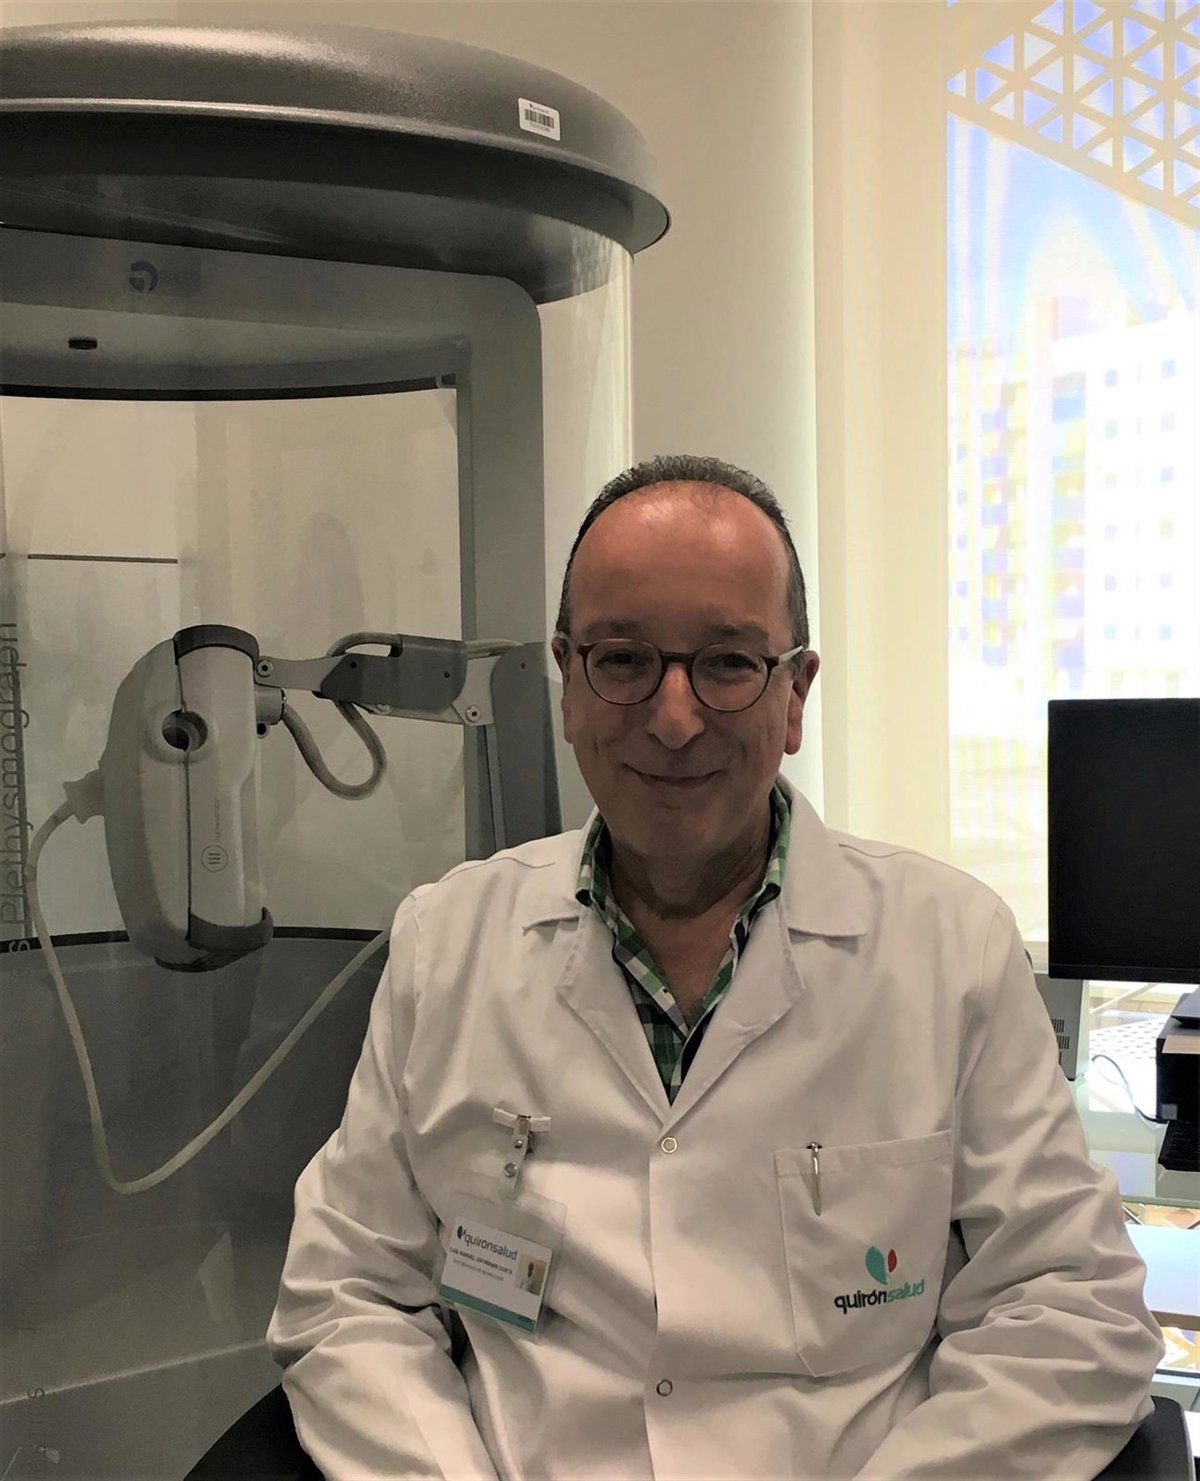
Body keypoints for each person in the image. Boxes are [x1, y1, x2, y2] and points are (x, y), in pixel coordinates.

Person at [268, 454, 1161, 1479]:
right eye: (622, 658)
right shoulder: (448, 943)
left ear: (796, 694)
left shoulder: (949, 946)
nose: (674, 716)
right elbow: (348, 1292)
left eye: (728, 663)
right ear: (568, 685)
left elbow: (1071, 1307)